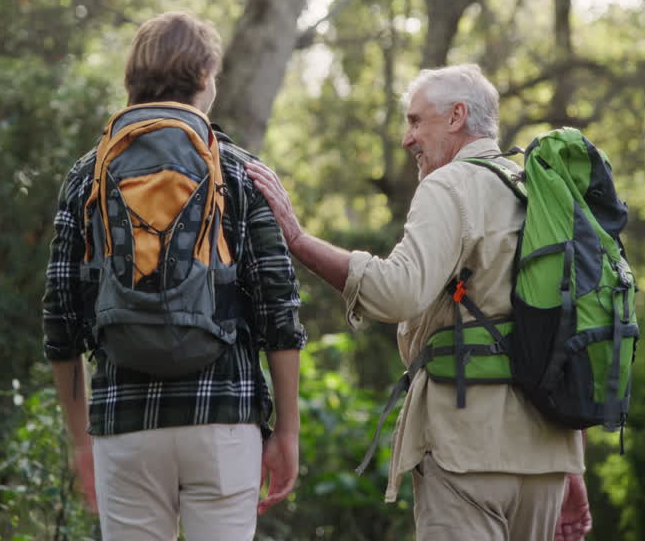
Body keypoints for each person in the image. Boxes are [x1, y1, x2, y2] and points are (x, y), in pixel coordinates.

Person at [246, 64, 591, 540]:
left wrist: (299, 239)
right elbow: (563, 334)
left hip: (468, 452)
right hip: (548, 459)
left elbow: (397, 292)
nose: (407, 139)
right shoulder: (536, 188)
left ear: (456, 117)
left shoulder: (451, 184)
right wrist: (571, 467)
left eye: (415, 121)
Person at [42, 10, 306, 541]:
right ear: (206, 75)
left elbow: (60, 318)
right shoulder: (238, 169)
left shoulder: (88, 172)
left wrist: (81, 443)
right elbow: (279, 307)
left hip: (124, 423)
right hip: (223, 420)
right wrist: (287, 433)